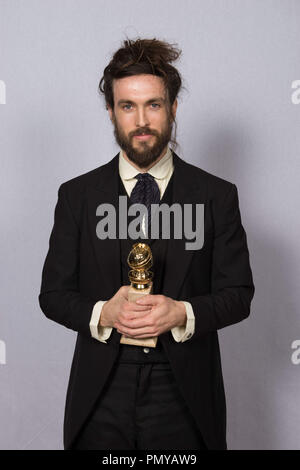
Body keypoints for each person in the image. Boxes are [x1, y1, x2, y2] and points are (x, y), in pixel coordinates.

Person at [39, 38, 255, 450]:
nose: (141, 120)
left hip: (185, 395)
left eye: (153, 105)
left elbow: (239, 295)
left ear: (173, 108)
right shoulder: (77, 196)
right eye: (127, 106)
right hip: (101, 392)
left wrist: (182, 312)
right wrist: (104, 312)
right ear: (111, 111)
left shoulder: (216, 195)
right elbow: (52, 295)